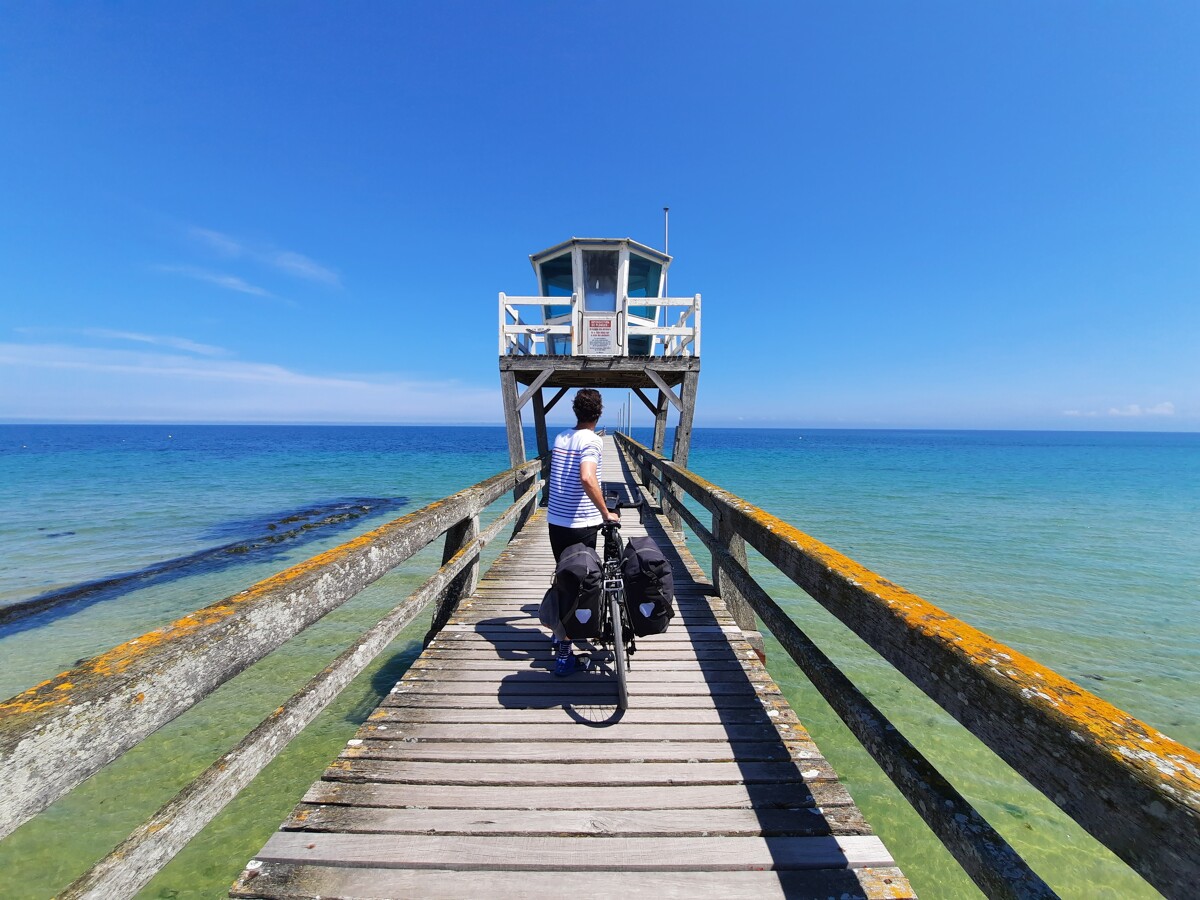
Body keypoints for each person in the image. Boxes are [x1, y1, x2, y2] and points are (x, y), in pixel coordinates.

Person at [546, 388, 620, 676]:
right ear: (598, 414)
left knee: (565, 578)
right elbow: (588, 476)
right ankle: (565, 655)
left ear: (575, 411)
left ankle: (561, 630)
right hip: (582, 525)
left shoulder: (562, 437)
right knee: (582, 584)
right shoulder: (592, 440)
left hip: (556, 521)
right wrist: (606, 513)